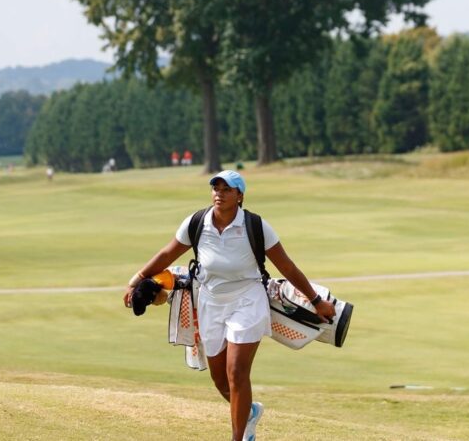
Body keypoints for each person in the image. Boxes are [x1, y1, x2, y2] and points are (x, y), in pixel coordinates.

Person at [124, 170, 335, 441]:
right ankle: (249, 412)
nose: (219, 193)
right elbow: (166, 254)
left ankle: (239, 437)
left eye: (226, 189)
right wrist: (136, 280)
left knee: (236, 372)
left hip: (248, 299)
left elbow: (287, 266)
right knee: (221, 380)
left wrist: (316, 301)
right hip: (210, 302)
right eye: (216, 188)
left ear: (240, 196)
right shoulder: (197, 223)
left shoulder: (256, 226)